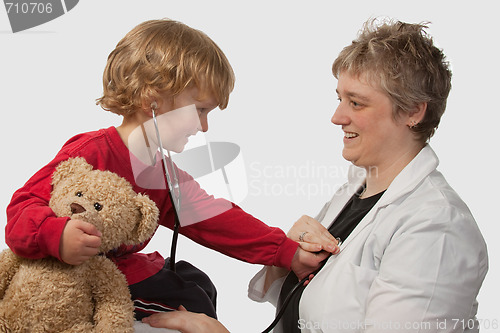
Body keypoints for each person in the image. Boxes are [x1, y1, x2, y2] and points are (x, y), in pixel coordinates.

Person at [142, 18, 488, 332]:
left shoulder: (437, 227)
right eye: (339, 98)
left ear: (413, 111)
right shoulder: (356, 193)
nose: (337, 117)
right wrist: (291, 254)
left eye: (356, 102)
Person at [5, 19, 333, 322]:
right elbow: (21, 210)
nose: (204, 127)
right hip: (73, 286)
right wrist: (56, 236)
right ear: (155, 97)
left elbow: (217, 219)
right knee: (185, 299)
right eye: (200, 110)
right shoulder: (90, 152)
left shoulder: (162, 174)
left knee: (195, 286)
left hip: (117, 277)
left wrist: (287, 253)